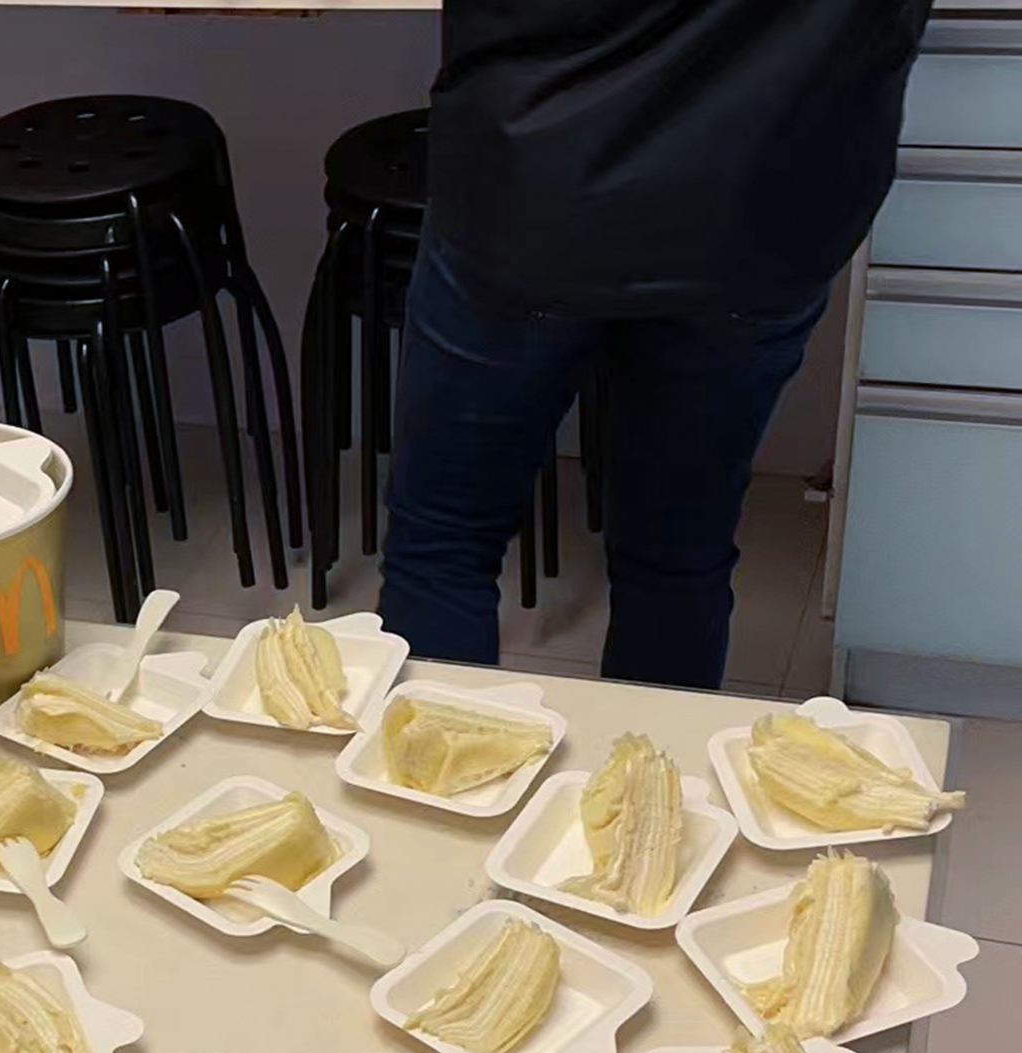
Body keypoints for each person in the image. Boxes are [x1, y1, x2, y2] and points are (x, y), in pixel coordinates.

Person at [378, 0, 934, 689]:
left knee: (445, 545)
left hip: (534, 191)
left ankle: (433, 760)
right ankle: (656, 763)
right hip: (760, 206)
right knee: (677, 557)